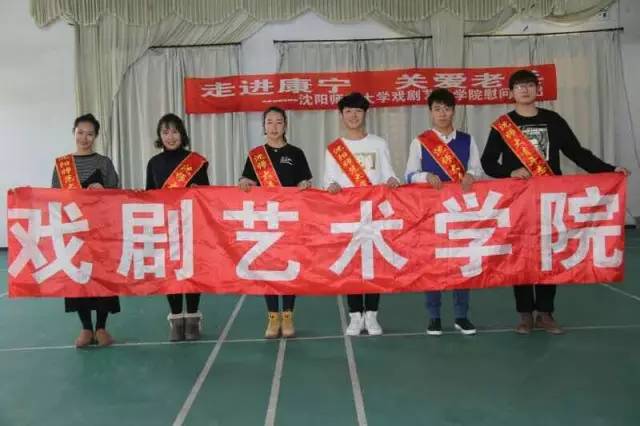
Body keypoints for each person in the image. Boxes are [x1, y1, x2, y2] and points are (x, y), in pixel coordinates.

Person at [481, 69, 630, 335]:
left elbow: (577, 153)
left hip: (550, 200)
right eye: (519, 86)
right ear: (511, 92)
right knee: (521, 255)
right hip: (519, 201)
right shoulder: (503, 125)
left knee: (548, 255)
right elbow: (488, 162)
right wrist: (509, 172)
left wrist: (610, 169)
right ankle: (525, 314)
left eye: (529, 85)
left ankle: (545, 313)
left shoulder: (553, 120)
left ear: (537, 90)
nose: (525, 90)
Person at [404, 88, 482, 336]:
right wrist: (426, 176)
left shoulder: (467, 140)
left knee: (461, 262)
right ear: (430, 112)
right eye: (437, 109)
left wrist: (471, 175)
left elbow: (477, 168)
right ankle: (434, 316)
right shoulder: (420, 141)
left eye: (447, 108)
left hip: (460, 211)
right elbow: (409, 175)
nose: (442, 113)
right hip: (431, 212)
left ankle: (461, 316)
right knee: (433, 262)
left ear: (453, 111)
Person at [323, 92, 400, 336]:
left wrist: (392, 181)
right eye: (348, 111)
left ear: (365, 114)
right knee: (352, 264)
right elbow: (328, 181)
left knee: (373, 264)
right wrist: (332, 187)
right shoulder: (335, 149)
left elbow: (390, 174)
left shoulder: (378, 143)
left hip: (374, 213)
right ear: (341, 115)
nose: (353, 116)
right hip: (348, 215)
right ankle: (355, 316)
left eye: (358, 111)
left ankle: (372, 315)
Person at [239, 106, 312, 338]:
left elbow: (304, 182)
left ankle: (288, 315)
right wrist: (244, 182)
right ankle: (272, 317)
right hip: (266, 220)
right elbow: (247, 180)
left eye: (278, 122)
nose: (274, 127)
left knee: (289, 267)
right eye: (269, 122)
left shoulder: (296, 153)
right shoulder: (256, 156)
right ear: (263, 126)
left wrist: (304, 185)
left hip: (290, 219)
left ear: (285, 125)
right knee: (268, 268)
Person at [52, 113, 120, 348]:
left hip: (101, 230)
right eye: (80, 132)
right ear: (74, 132)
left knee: (102, 278)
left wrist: (103, 189)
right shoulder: (62, 165)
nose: (84, 138)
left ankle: (101, 327)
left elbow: (117, 193)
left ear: (96, 136)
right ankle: (86, 328)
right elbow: (54, 197)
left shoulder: (104, 162)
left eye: (90, 134)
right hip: (74, 231)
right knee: (77, 278)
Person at [146, 113, 209, 341]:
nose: (170, 137)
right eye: (165, 132)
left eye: (174, 131)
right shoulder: (153, 163)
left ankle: (192, 318)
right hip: (166, 224)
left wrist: (197, 189)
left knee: (191, 270)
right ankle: (176, 319)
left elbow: (207, 193)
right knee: (171, 270)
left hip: (191, 223)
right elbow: (149, 194)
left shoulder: (196, 161)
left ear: (182, 134)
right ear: (159, 136)